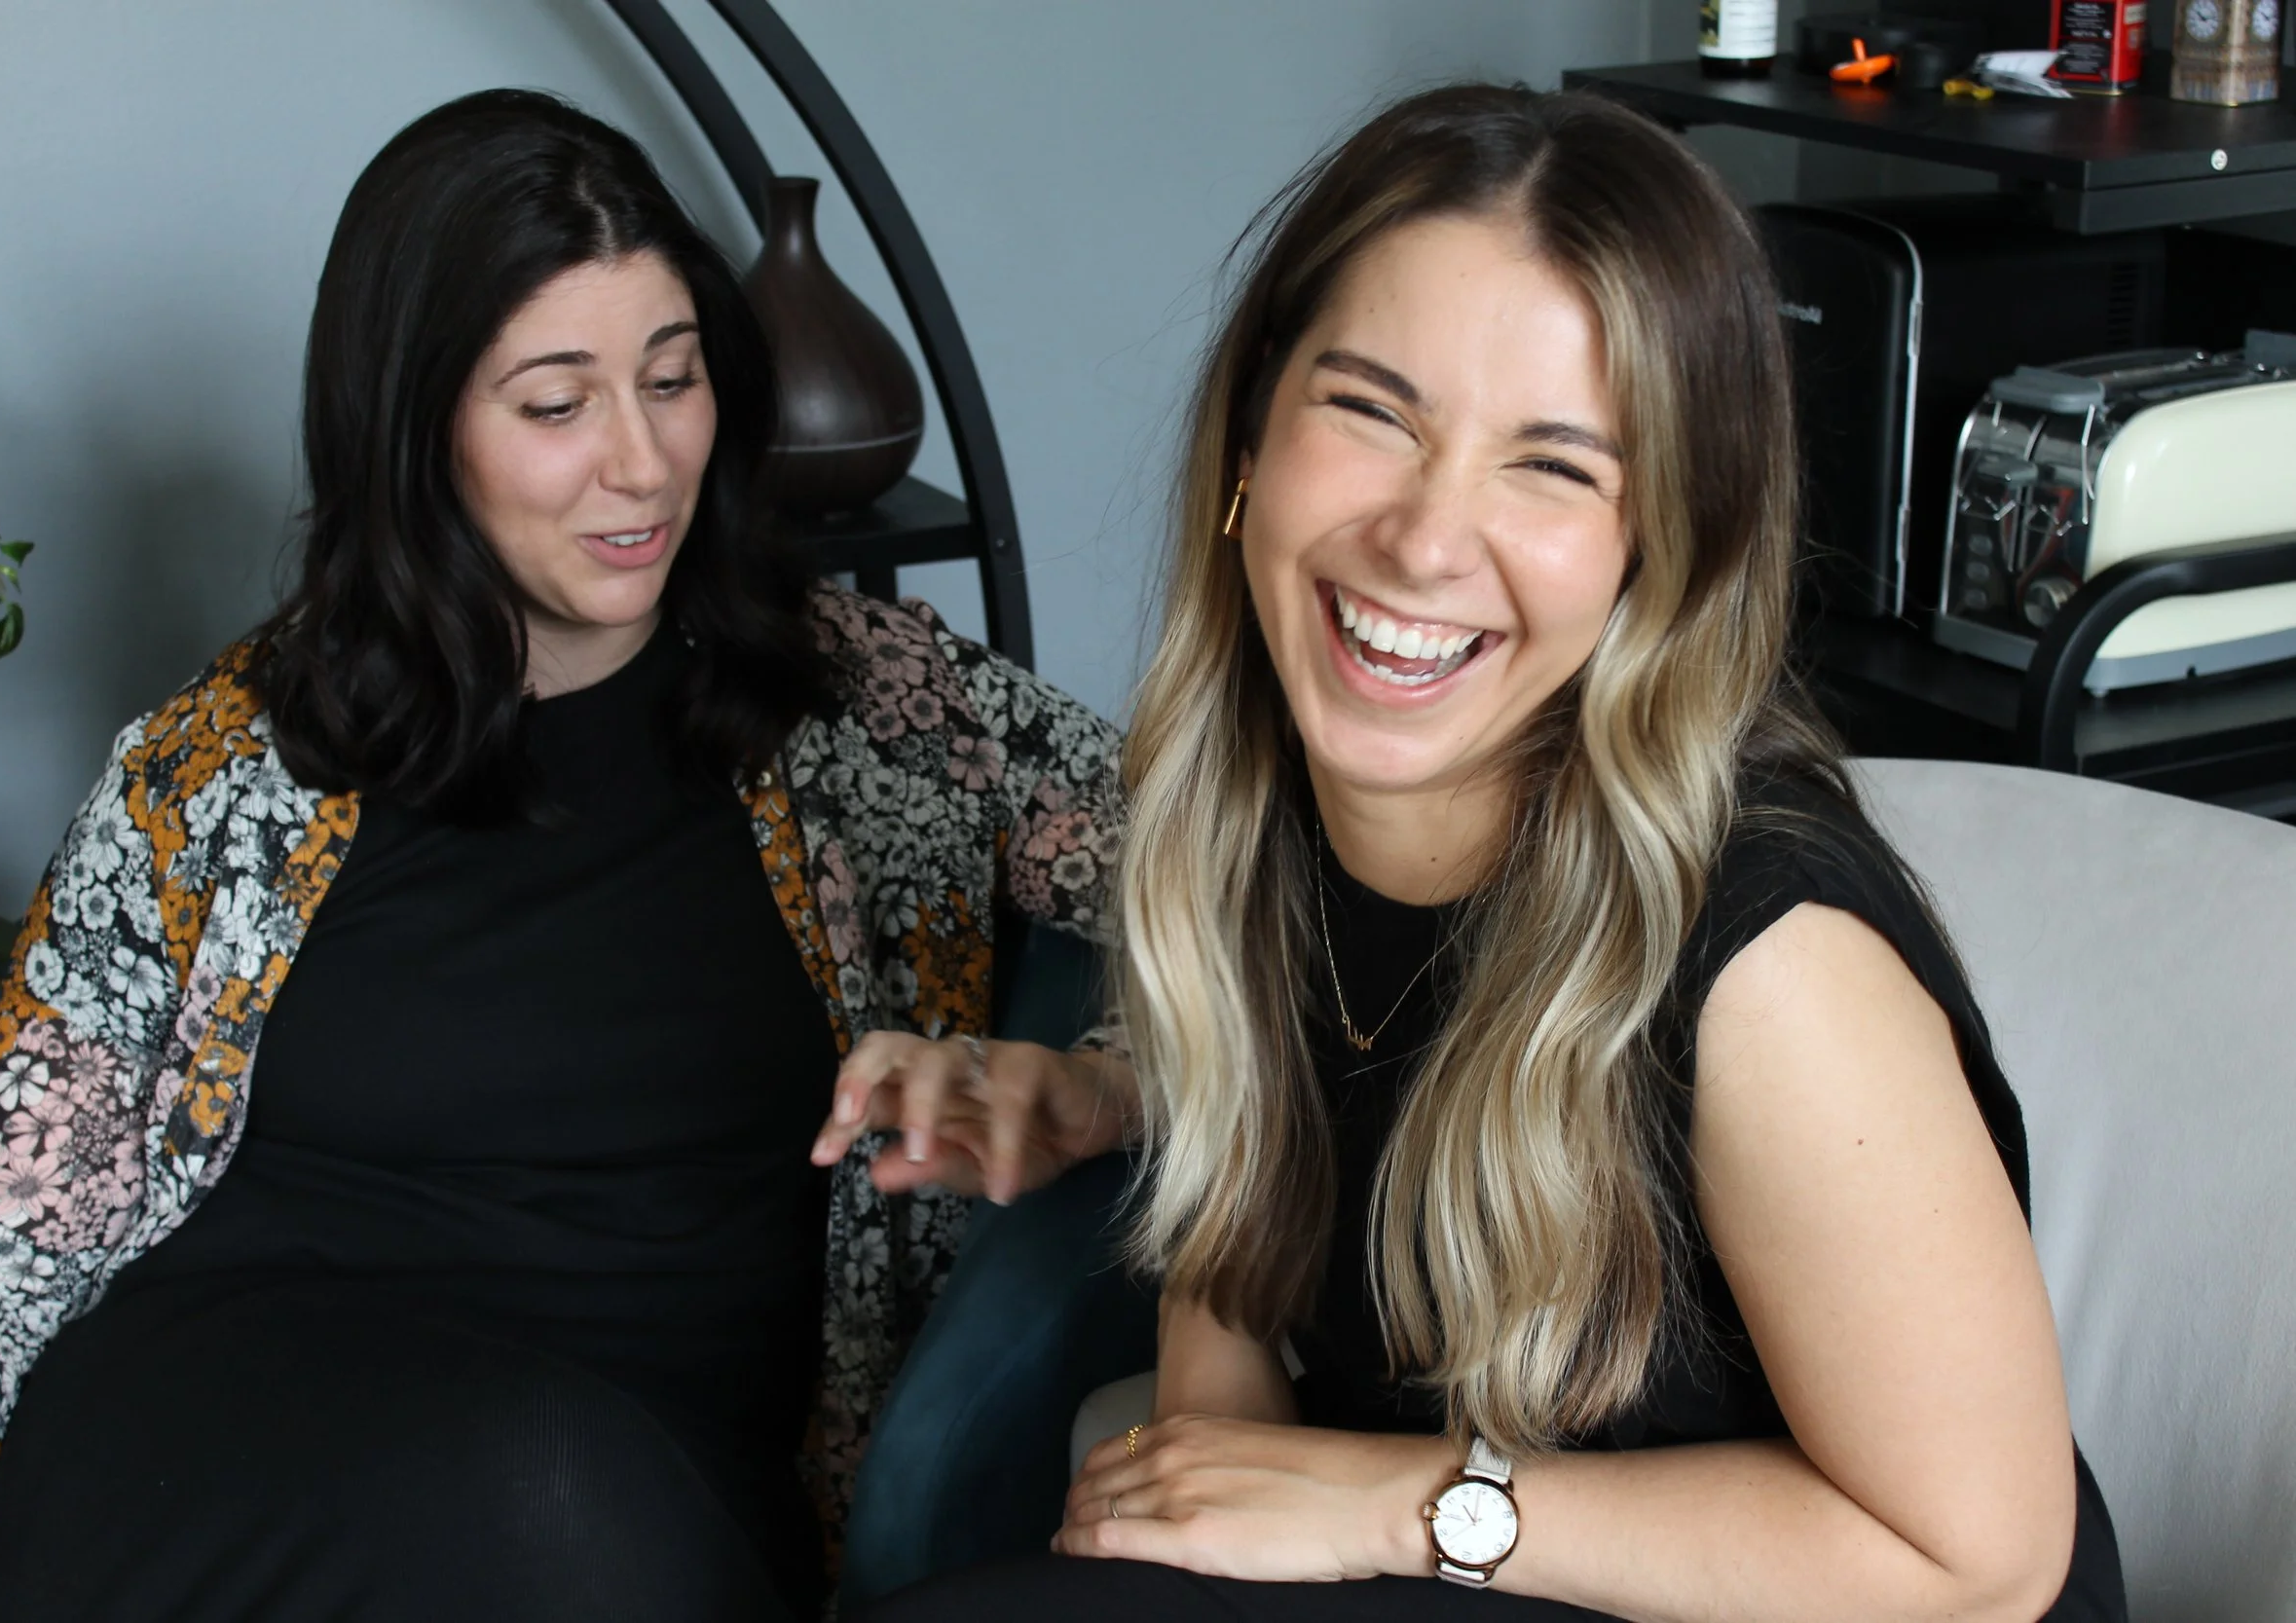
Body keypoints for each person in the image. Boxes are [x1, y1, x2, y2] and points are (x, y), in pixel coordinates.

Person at [0, 90, 1130, 1623]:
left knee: (553, 1502)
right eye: (555, 405)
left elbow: (1250, 884)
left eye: (675, 381)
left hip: (633, 1496)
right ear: (415, 431)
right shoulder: (207, 782)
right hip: (221, 1431)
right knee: (525, 1498)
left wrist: (1095, 1078)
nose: (645, 464)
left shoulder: (869, 705)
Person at [870, 84, 2127, 1623]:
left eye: (1555, 465)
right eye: (1372, 409)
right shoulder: (1245, 813)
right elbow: (1236, 1311)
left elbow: (1985, 1558)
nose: (1424, 536)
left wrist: (1409, 1502)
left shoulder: (1768, 960)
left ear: (1653, 550)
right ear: (1255, 430)